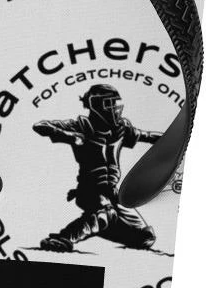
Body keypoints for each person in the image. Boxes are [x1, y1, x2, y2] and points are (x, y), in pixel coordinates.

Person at [33, 85, 159, 251]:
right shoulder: (81, 126)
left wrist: (173, 139)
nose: (114, 108)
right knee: (105, 213)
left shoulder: (121, 129)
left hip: (113, 192)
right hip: (90, 190)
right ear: (96, 104)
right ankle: (64, 238)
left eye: (114, 103)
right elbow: (40, 125)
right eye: (109, 103)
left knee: (145, 237)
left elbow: (147, 136)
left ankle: (100, 226)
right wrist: (70, 136)